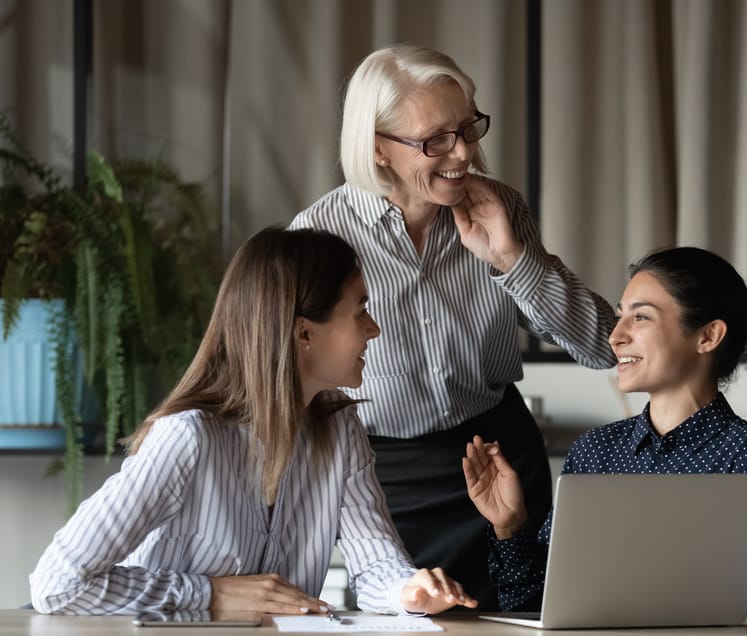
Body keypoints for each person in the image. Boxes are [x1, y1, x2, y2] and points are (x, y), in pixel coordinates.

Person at [289, 43, 617, 609]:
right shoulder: (319, 236)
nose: (463, 153)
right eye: (435, 139)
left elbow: (603, 348)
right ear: (378, 150)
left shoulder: (499, 208)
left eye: (468, 128)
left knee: (533, 634)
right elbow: (280, 372)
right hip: (385, 480)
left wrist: (514, 260)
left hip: (500, 461)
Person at [29, 226, 477, 616]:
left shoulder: (341, 430)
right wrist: (209, 595)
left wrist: (408, 591)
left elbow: (376, 565)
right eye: (360, 310)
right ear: (304, 332)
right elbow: (57, 583)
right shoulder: (186, 438)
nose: (374, 329)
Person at [463, 246, 747, 620]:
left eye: (641, 317)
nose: (615, 336)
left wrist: (695, 532)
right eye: (618, 317)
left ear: (708, 336)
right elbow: (534, 604)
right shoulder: (596, 451)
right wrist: (511, 526)